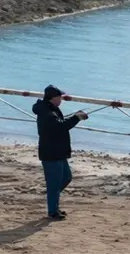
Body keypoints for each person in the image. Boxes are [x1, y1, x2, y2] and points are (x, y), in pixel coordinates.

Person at [32, 85, 88, 220]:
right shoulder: (47, 113)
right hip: (51, 153)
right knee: (54, 183)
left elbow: (60, 123)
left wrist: (76, 116)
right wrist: (76, 118)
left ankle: (53, 199)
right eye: (59, 98)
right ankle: (52, 210)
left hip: (59, 152)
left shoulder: (50, 109)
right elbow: (60, 126)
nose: (61, 100)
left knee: (66, 177)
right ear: (53, 98)